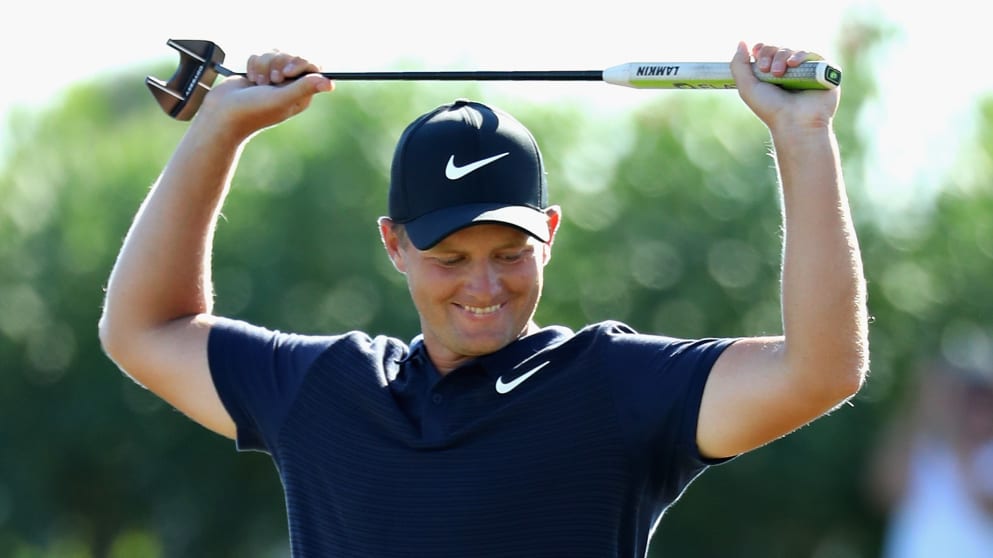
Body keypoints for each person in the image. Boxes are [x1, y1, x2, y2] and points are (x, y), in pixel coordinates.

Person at [98, 41, 869, 557]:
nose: (483, 286)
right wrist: (218, 132)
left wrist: (802, 139)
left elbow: (820, 371)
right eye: (448, 257)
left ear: (550, 235)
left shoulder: (613, 386)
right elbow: (141, 328)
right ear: (393, 243)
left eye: (509, 254)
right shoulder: (327, 391)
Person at [868, 358, 993, 558]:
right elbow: (883, 493)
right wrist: (915, 406)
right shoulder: (921, 447)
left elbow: (986, 505)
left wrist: (956, 436)